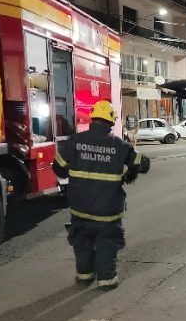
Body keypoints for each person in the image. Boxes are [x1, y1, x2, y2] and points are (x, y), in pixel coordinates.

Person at [52, 100, 150, 290]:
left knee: (82, 241)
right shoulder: (118, 145)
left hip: (80, 208)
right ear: (111, 122)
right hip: (108, 209)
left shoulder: (75, 141)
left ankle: (85, 275)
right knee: (107, 243)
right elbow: (143, 164)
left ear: (93, 119)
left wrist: (71, 174)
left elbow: (58, 167)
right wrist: (130, 173)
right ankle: (106, 280)